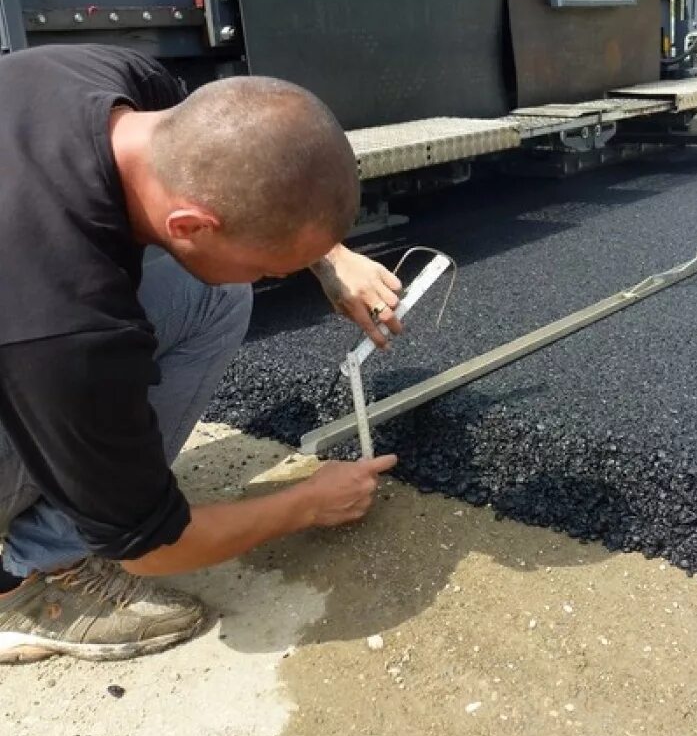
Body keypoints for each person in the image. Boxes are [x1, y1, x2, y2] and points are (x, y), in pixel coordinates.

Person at [0, 43, 402, 664]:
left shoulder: (107, 78)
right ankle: (25, 584)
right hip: (28, 333)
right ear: (188, 226)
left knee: (211, 297)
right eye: (273, 269)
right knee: (99, 467)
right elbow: (152, 546)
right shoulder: (67, 327)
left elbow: (231, 153)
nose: (274, 278)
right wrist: (306, 504)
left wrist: (328, 255)